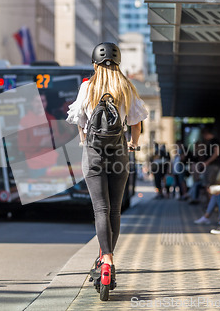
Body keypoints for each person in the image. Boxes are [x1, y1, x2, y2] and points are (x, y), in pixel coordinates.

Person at [66, 42, 148, 291]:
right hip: (119, 153)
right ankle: (108, 259)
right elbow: (137, 122)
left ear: (94, 64)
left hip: (93, 154)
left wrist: (83, 138)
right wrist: (133, 144)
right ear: (118, 64)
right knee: (114, 211)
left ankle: (106, 260)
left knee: (100, 209)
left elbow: (78, 118)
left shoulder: (87, 87)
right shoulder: (126, 87)